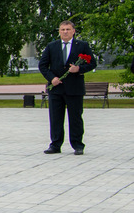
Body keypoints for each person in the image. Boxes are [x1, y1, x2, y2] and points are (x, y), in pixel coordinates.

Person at [39, 20, 95, 155]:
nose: (65, 32)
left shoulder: (82, 45)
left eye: (68, 29)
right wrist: (52, 78)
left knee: (75, 118)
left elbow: (93, 63)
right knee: (55, 117)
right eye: (63, 29)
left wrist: (79, 69)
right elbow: (43, 65)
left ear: (73, 31)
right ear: (59, 31)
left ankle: (78, 145)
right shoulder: (52, 46)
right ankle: (55, 145)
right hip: (56, 88)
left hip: (74, 88)